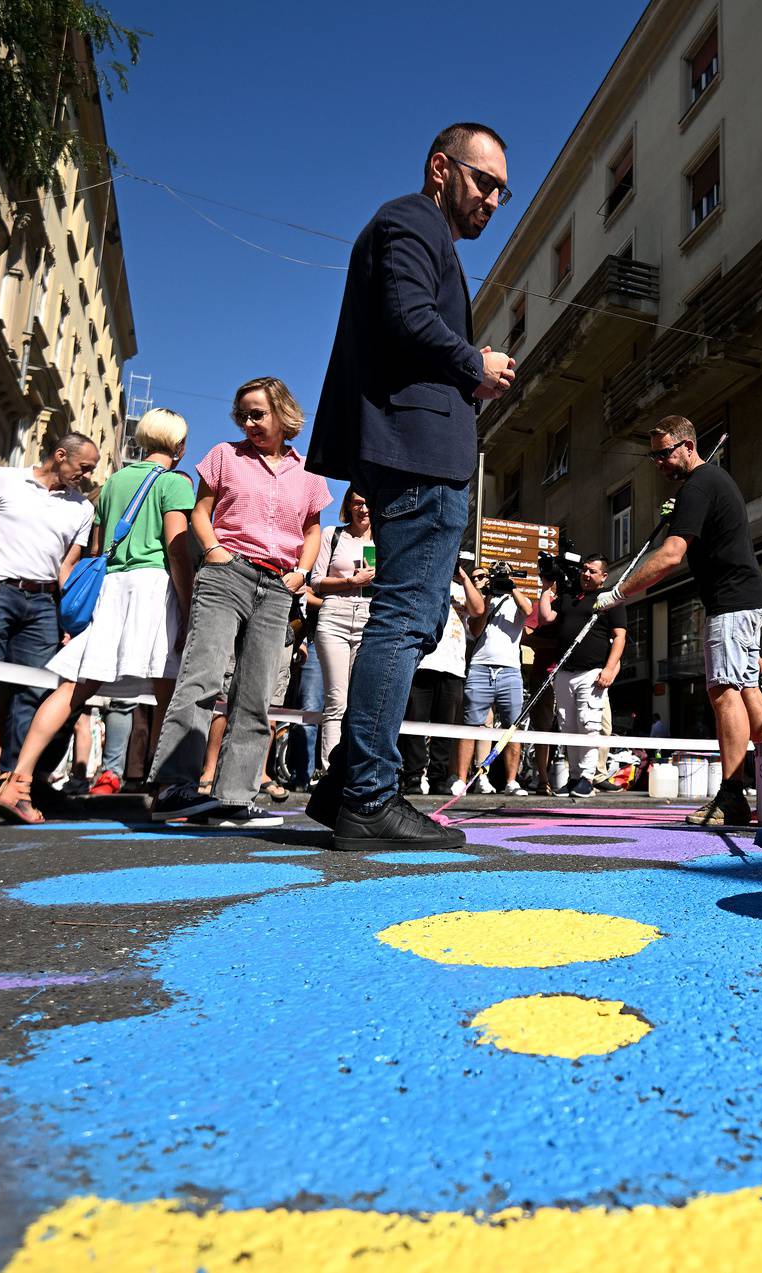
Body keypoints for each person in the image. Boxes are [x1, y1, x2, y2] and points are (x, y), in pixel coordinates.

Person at [305, 121, 516, 850]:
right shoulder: (410, 219)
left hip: (413, 449)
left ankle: (344, 782)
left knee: (414, 620)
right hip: (418, 452)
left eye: (502, 191)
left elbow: (408, 318)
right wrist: (473, 364)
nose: (493, 199)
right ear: (440, 168)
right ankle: (368, 795)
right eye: (484, 181)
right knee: (403, 620)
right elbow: (405, 315)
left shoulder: (422, 231)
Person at [0, 409, 196, 824]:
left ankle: (18, 780)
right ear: (179, 446)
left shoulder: (115, 482)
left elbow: (99, 547)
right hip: (153, 587)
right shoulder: (175, 483)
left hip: (113, 589)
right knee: (167, 692)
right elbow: (177, 548)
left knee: (74, 689)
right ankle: (165, 791)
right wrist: (189, 605)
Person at [148, 378, 329, 827]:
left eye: (258, 414)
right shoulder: (224, 457)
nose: (248, 422)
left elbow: (312, 530)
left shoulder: (309, 472)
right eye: (243, 414)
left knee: (256, 695)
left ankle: (234, 798)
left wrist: (301, 574)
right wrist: (213, 551)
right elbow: (200, 512)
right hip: (227, 573)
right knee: (202, 677)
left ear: (283, 416)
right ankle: (174, 787)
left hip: (277, 586)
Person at [594, 416, 762, 826]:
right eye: (652, 455)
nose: (657, 462)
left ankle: (732, 797)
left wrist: (618, 592)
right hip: (744, 597)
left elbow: (671, 556)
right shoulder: (705, 486)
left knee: (724, 692)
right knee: (746, 692)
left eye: (664, 452)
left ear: (688, 446)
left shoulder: (698, 485)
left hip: (731, 601)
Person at [0, 431, 97, 802]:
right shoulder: (4, 479)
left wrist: (71, 617)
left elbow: (68, 564)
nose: (88, 476)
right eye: (84, 467)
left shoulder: (82, 508)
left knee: (35, 691)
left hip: (44, 603)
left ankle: (16, 775)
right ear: (60, 456)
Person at [292, 488, 373, 783]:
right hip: (334, 617)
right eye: (357, 503)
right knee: (336, 699)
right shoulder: (332, 534)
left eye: (367, 503)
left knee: (358, 701)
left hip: (368, 618)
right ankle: (329, 771)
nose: (363, 509)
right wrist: (351, 581)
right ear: (348, 506)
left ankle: (355, 771)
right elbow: (315, 581)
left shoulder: (385, 542)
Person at [539, 554, 626, 798]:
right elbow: (546, 618)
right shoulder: (569, 596)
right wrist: (546, 590)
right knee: (568, 726)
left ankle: (587, 777)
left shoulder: (609, 598)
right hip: (565, 672)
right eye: (584, 570)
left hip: (592, 672)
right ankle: (574, 776)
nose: (586, 575)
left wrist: (609, 669)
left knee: (589, 725)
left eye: (592, 572)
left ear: (604, 577)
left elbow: (620, 637)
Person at [454, 562, 534, 795]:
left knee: (512, 727)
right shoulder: (481, 600)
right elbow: (476, 629)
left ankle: (511, 781)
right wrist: (488, 598)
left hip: (510, 669)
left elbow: (528, 612)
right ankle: (461, 779)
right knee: (472, 725)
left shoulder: (518, 598)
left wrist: (511, 586)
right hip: (480, 667)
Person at [401, 571, 468, 797]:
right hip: (423, 663)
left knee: (445, 727)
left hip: (452, 667)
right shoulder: (424, 580)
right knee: (415, 724)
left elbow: (478, 610)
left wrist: (465, 578)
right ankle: (412, 776)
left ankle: (438, 778)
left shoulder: (461, 590)